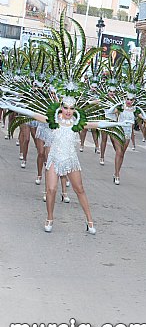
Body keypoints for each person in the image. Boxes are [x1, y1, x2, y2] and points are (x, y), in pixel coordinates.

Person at [2, 95, 131, 234]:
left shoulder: (77, 123)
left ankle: (90, 221)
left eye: (71, 108)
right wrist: (9, 107)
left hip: (70, 159)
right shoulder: (52, 120)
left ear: (75, 110)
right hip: (54, 158)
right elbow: (31, 113)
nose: (68, 111)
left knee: (79, 189)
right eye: (65, 108)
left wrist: (118, 124)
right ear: (61, 107)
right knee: (51, 189)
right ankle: (50, 218)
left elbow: (99, 124)